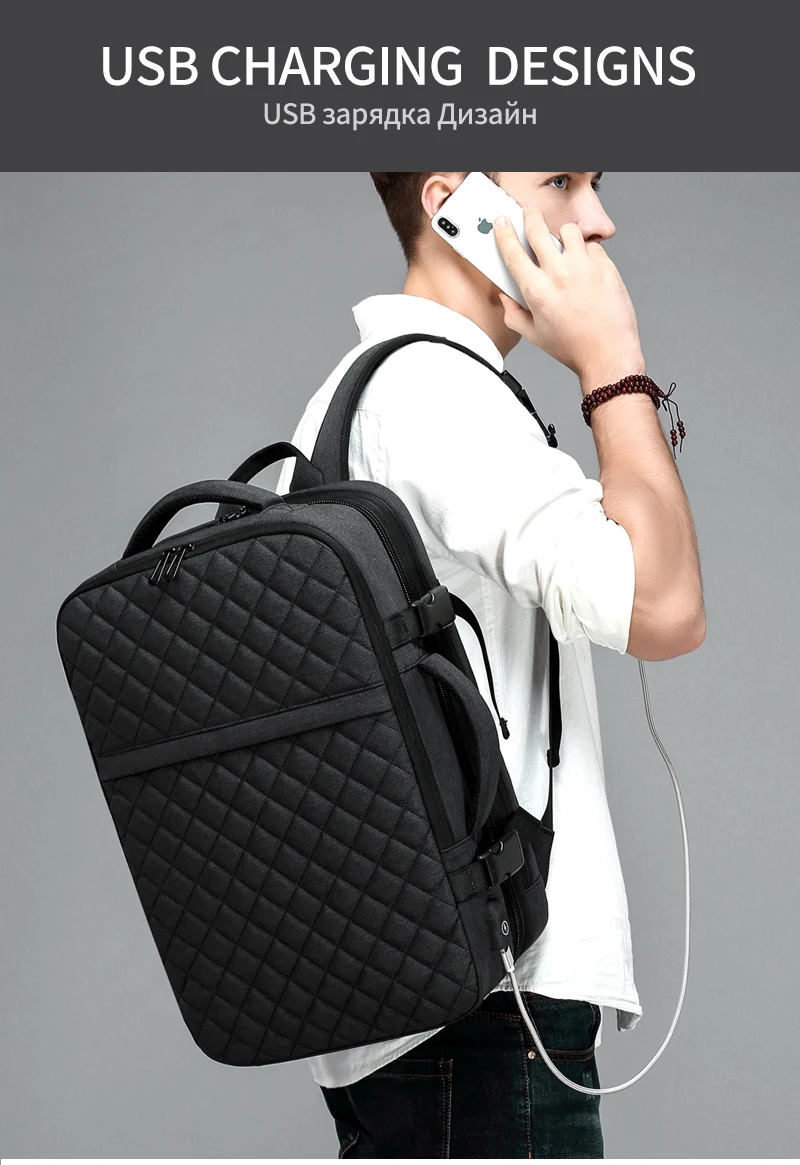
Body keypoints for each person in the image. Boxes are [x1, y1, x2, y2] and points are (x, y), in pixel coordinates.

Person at [274, 172, 705, 1159]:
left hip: (421, 1007)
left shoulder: (358, 396)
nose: (598, 221)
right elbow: (664, 607)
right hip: (487, 1012)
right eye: (559, 180)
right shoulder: (437, 396)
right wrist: (613, 361)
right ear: (450, 200)